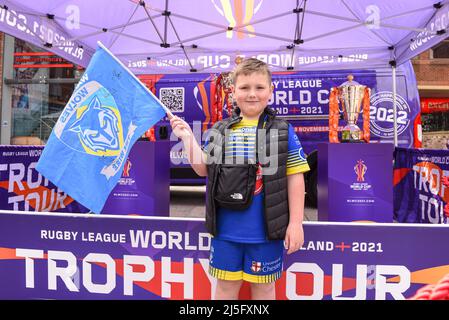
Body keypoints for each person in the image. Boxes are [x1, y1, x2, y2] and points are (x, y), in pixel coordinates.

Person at [170, 58, 309, 300]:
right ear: (233, 92)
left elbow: (295, 177)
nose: (252, 94)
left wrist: (296, 223)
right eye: (244, 88)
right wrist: (188, 138)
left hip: (267, 232)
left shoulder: (282, 130)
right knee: (224, 288)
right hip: (226, 231)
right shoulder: (220, 129)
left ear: (270, 91)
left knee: (265, 289)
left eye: (259, 87)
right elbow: (204, 169)